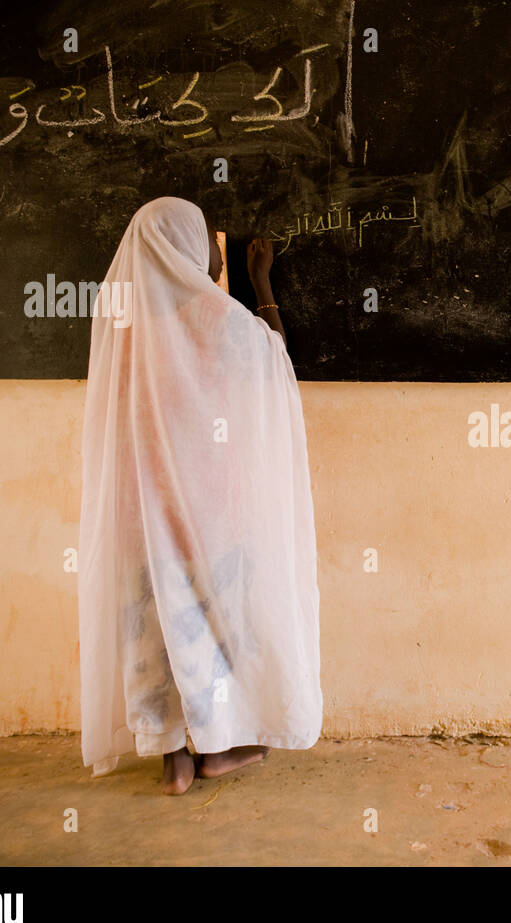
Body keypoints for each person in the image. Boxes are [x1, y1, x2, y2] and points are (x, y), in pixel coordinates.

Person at [78, 196, 322, 795]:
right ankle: (215, 747)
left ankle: (173, 762)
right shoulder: (211, 317)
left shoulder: (123, 325)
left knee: (158, 625)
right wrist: (258, 280)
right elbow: (271, 354)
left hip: (141, 516)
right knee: (212, 625)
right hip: (210, 512)